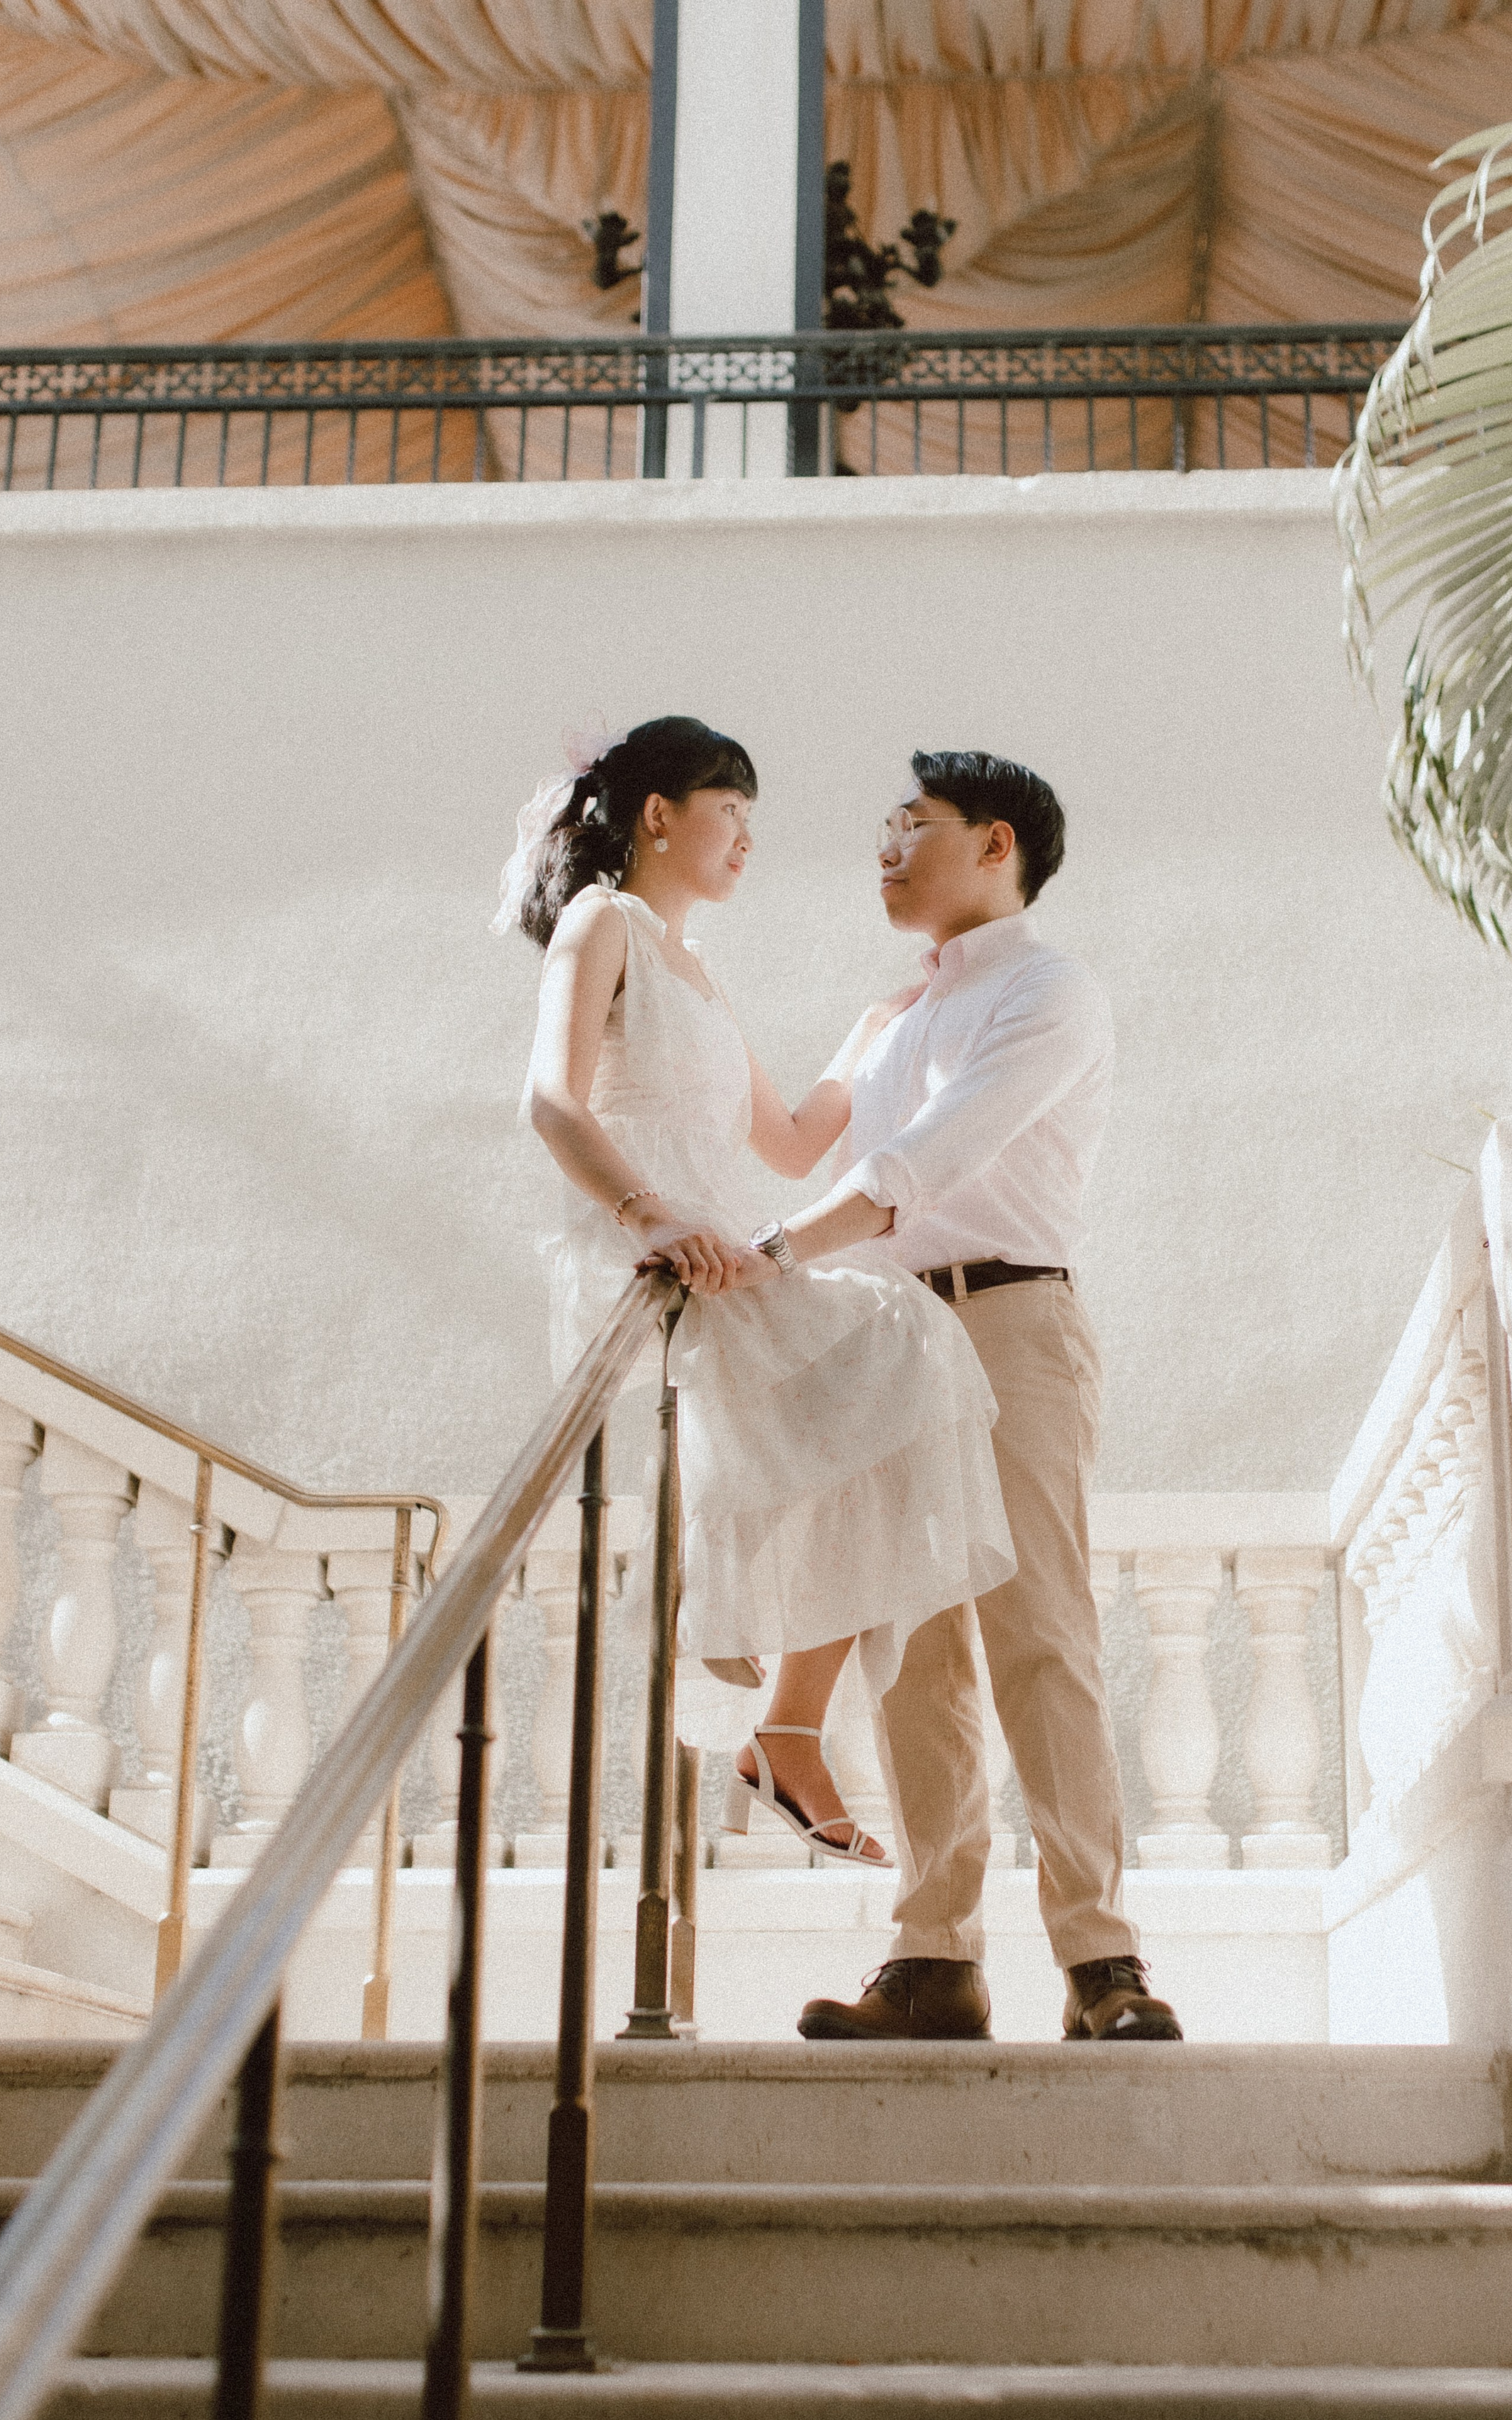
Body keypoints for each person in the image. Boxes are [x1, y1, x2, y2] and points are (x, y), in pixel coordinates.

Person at [506, 715, 1015, 1868]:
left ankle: (786, 1723)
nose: (746, 838)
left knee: (896, 1367)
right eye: (729, 811)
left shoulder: (696, 971)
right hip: (656, 1249)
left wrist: (871, 1033)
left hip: (719, 1251)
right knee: (898, 1338)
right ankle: (774, 1706)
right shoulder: (603, 923)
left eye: (750, 819)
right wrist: (650, 1214)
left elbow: (787, 1141)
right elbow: (552, 1101)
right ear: (658, 816)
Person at [766, 751, 1183, 2043]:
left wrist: (776, 1252)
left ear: (996, 844)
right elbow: (794, 1137)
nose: (885, 848)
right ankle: (933, 1957)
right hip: (892, 1336)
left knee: (1039, 1631)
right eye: (882, 828)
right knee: (912, 1652)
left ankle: (1101, 1961)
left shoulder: (1051, 991)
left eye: (913, 824)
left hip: (1011, 1321)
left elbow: (925, 1158)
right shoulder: (893, 1017)